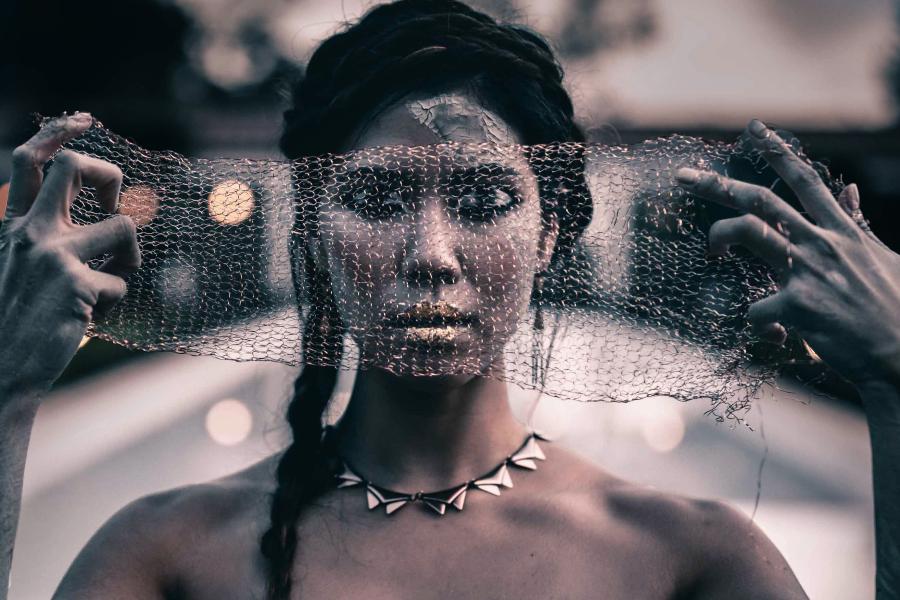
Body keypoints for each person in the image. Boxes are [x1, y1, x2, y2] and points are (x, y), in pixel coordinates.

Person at [1, 1, 898, 598]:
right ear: (312, 225)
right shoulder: (166, 555)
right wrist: (4, 391)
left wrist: (897, 381)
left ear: (550, 233)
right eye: (379, 199)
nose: (430, 257)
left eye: (483, 202)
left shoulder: (693, 562)